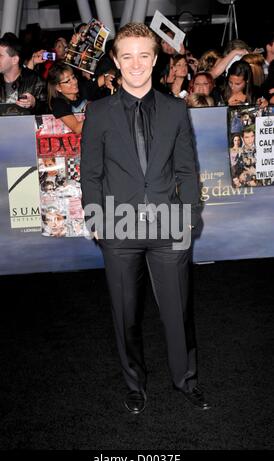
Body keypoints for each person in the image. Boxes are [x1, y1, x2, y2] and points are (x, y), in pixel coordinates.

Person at [81, 23, 210, 414]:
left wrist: (190, 214)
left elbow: (187, 169)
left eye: (144, 55)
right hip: (118, 227)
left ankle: (185, 380)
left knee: (177, 311)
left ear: (156, 59)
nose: (136, 64)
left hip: (169, 226)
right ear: (117, 62)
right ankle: (135, 385)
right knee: (125, 315)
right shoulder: (99, 111)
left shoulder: (174, 110)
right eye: (127, 56)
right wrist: (95, 220)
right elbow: (91, 172)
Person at [0, 34, 47, 114]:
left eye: (0, 56)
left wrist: (35, 103)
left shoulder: (35, 80)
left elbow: (48, 110)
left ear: (15, 60)